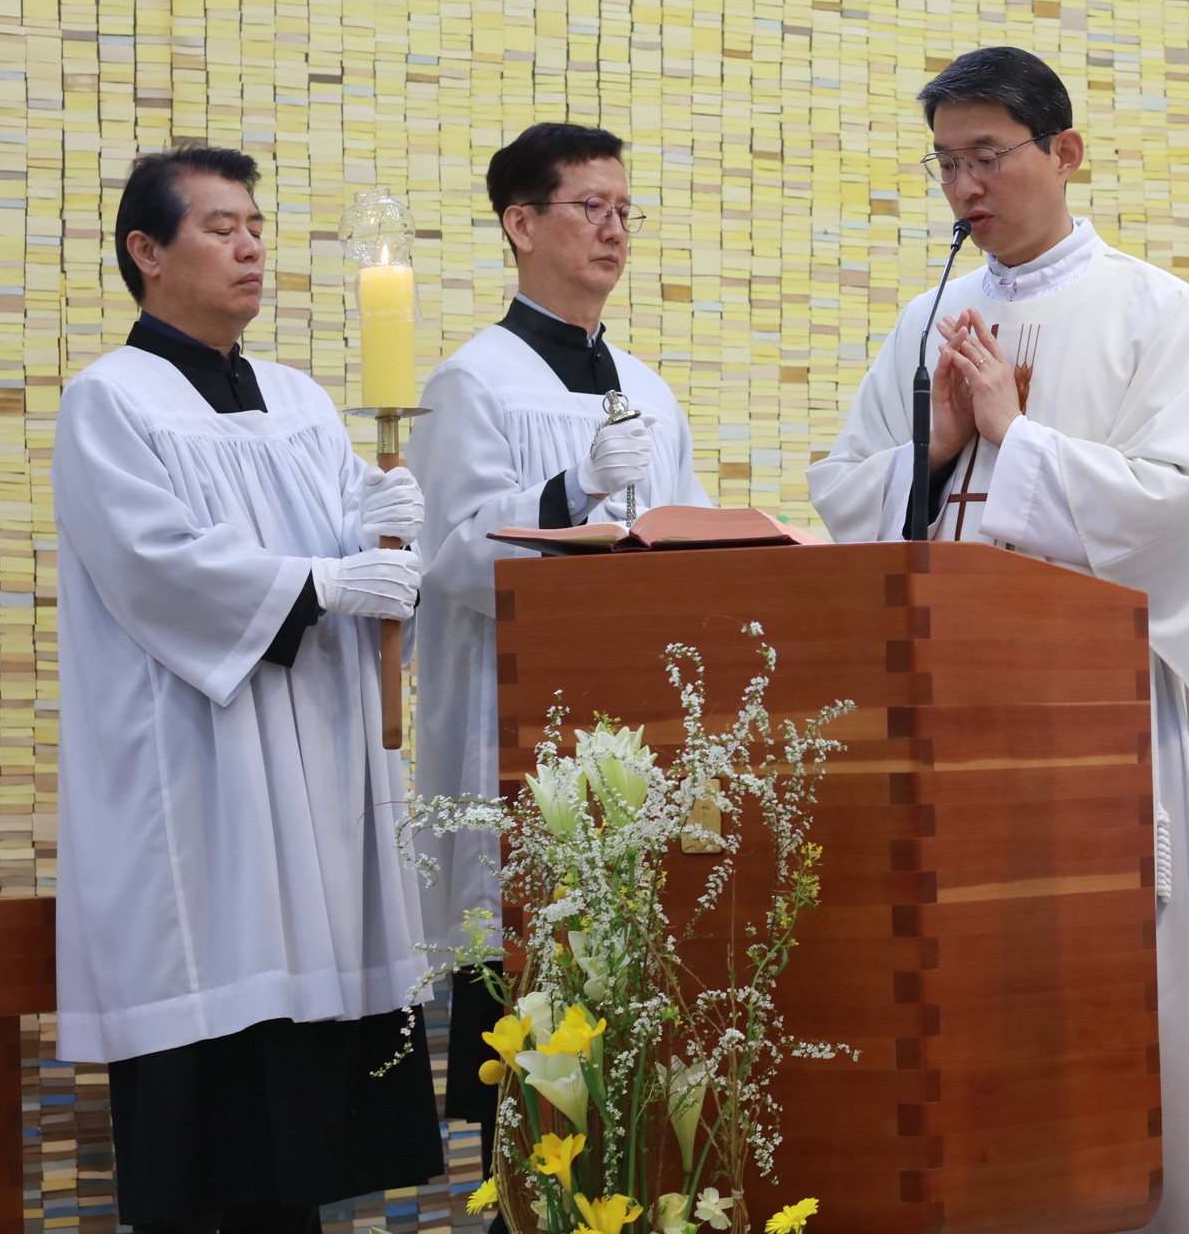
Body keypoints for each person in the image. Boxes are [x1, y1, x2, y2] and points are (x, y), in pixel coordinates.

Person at [806, 47, 1189, 1234]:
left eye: (988, 156)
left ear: (1066, 152)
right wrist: (939, 445)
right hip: (940, 722)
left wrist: (1016, 432)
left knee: (1107, 999)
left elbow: (1183, 509)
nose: (965, 187)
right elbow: (846, 495)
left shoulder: (1158, 313)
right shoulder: (926, 322)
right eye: (946, 162)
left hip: (1090, 724)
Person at [53, 145, 442, 1230]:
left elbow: (369, 567)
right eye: (221, 228)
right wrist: (326, 578)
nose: (251, 247)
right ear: (146, 251)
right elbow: (158, 568)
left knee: (297, 1159)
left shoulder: (301, 402)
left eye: (257, 227)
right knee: (211, 1141)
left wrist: (388, 531)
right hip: (200, 785)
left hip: (315, 782)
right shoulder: (110, 402)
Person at [407, 121, 712, 1162]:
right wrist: (570, 489)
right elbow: (450, 559)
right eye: (591, 207)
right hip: (517, 745)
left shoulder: (648, 388)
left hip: (635, 745)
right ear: (522, 223)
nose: (614, 229)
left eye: (625, 210)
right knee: (531, 1069)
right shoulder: (473, 383)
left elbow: (683, 539)